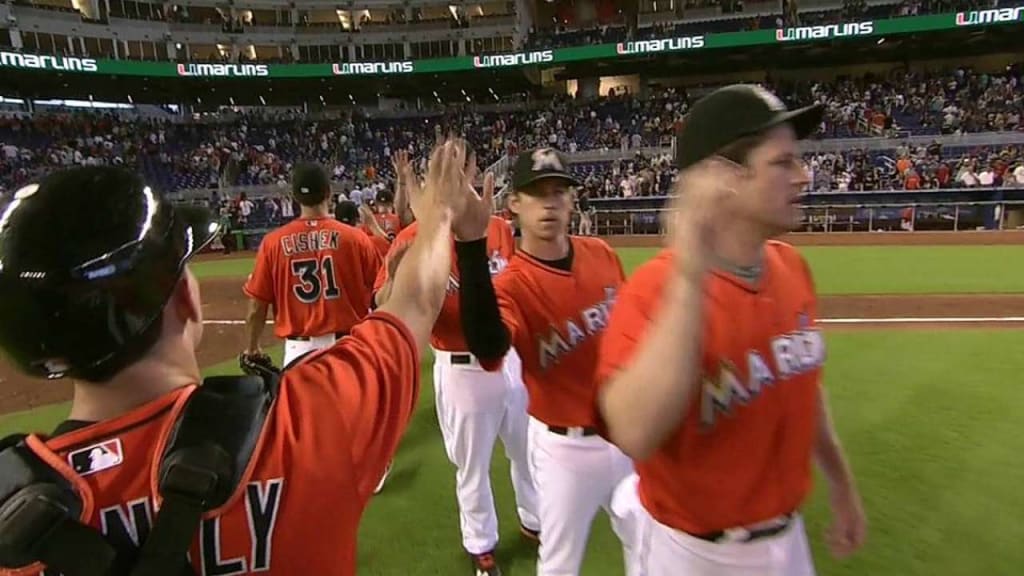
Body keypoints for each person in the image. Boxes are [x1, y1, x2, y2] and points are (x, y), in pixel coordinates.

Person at [0, 138, 476, 575]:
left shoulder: (13, 521)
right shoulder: (304, 420)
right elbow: (414, 301)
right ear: (186, 300)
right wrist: (434, 217)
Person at [594, 84, 867, 576]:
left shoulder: (792, 269)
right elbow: (632, 431)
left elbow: (804, 385)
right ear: (723, 179)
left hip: (790, 542)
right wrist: (691, 271)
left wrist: (841, 481)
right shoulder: (653, 291)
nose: (803, 176)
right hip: (696, 555)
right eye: (783, 163)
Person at [456, 147, 634, 576]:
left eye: (559, 192)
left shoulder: (602, 255)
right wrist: (471, 246)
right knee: (559, 564)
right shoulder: (513, 285)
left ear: (572, 200)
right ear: (514, 203)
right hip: (564, 448)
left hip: (625, 434)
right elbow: (489, 346)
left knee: (651, 545)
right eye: (537, 193)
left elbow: (633, 336)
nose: (550, 203)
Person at [374, 159, 538, 576]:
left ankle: (535, 521)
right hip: (460, 366)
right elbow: (380, 303)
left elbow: (517, 283)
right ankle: (481, 547)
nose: (458, 183)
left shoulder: (496, 228)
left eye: (464, 172)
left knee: (526, 450)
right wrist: (395, 279)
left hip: (510, 359)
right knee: (473, 465)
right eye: (448, 176)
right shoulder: (414, 238)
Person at [243, 162, 381, 370]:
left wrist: (252, 349)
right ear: (328, 193)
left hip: (299, 353)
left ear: (295, 197)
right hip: (349, 348)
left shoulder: (273, 243)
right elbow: (381, 294)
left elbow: (256, 308)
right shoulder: (356, 238)